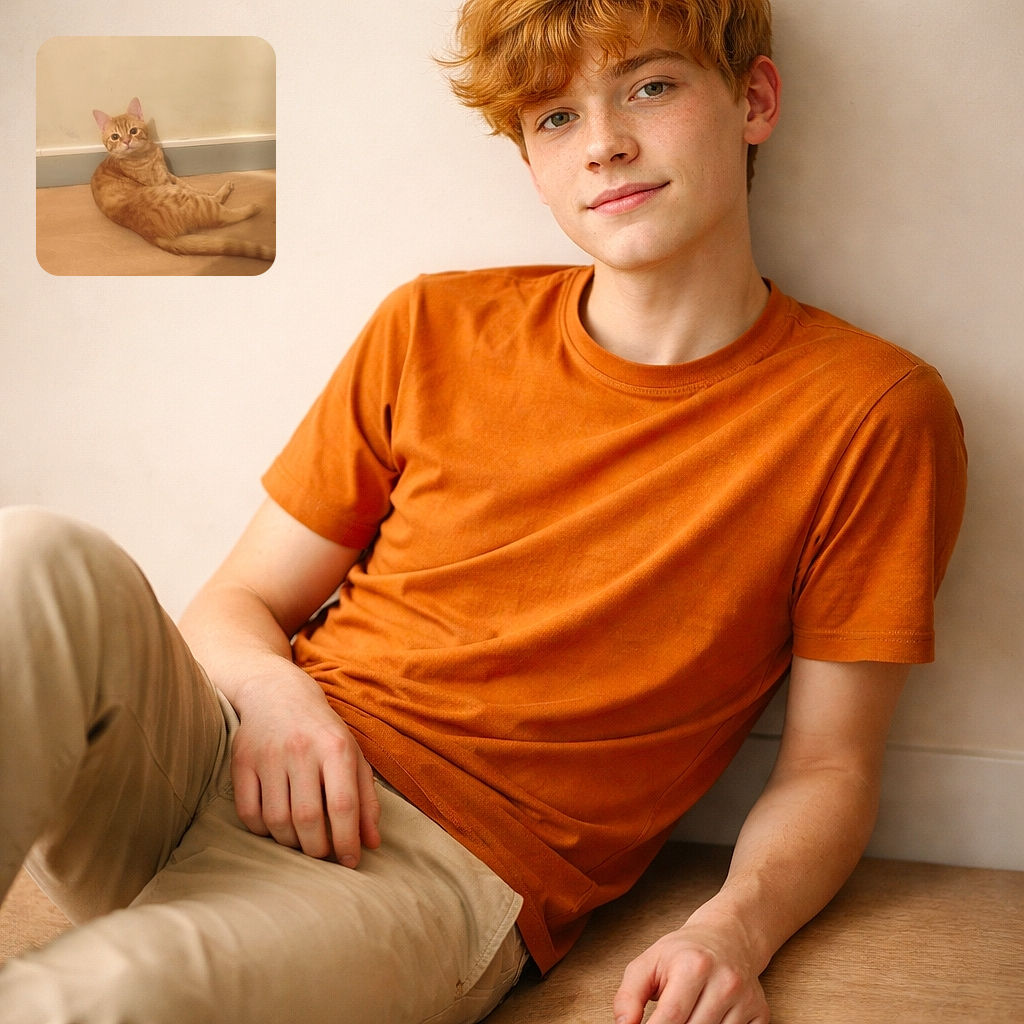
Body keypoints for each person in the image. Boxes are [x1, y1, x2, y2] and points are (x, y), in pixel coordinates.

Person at [0, 1, 966, 1022]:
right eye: (554, 118)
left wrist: (730, 928)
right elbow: (236, 599)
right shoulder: (432, 324)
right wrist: (277, 698)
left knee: (106, 994)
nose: (604, 145)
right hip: (226, 748)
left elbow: (830, 763)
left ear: (753, 101)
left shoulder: (870, 412)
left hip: (424, 871)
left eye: (650, 85)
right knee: (32, 553)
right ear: (530, 163)